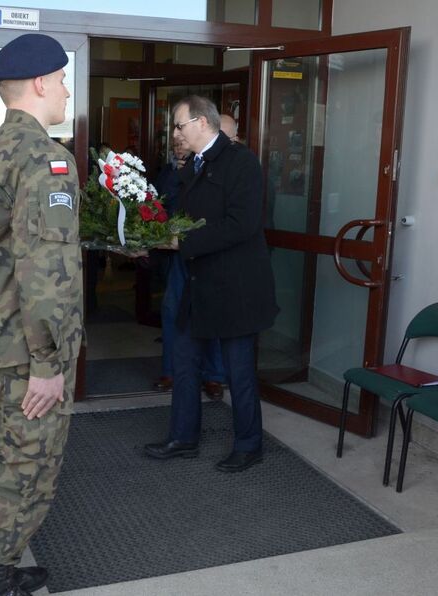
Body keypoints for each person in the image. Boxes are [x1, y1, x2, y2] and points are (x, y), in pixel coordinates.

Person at [0, 34, 82, 596]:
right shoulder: (46, 158)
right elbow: (46, 270)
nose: (65, 90)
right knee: (27, 467)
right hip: (25, 350)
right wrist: (48, 362)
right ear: (39, 83)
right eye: (60, 80)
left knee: (9, 454)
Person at [144, 95, 278, 473]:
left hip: (235, 288)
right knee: (185, 364)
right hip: (196, 283)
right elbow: (185, 219)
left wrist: (181, 242)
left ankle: (248, 445)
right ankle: (183, 438)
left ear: (202, 123)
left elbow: (242, 225)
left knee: (239, 372)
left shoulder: (241, 162)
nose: (175, 133)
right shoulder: (192, 166)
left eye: (179, 125)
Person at [153, 135, 225, 399]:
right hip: (177, 256)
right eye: (175, 144)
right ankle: (170, 372)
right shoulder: (167, 174)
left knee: (211, 313)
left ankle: (214, 376)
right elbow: (154, 206)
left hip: (206, 254)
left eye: (183, 141)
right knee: (172, 310)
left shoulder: (209, 171)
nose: (178, 146)